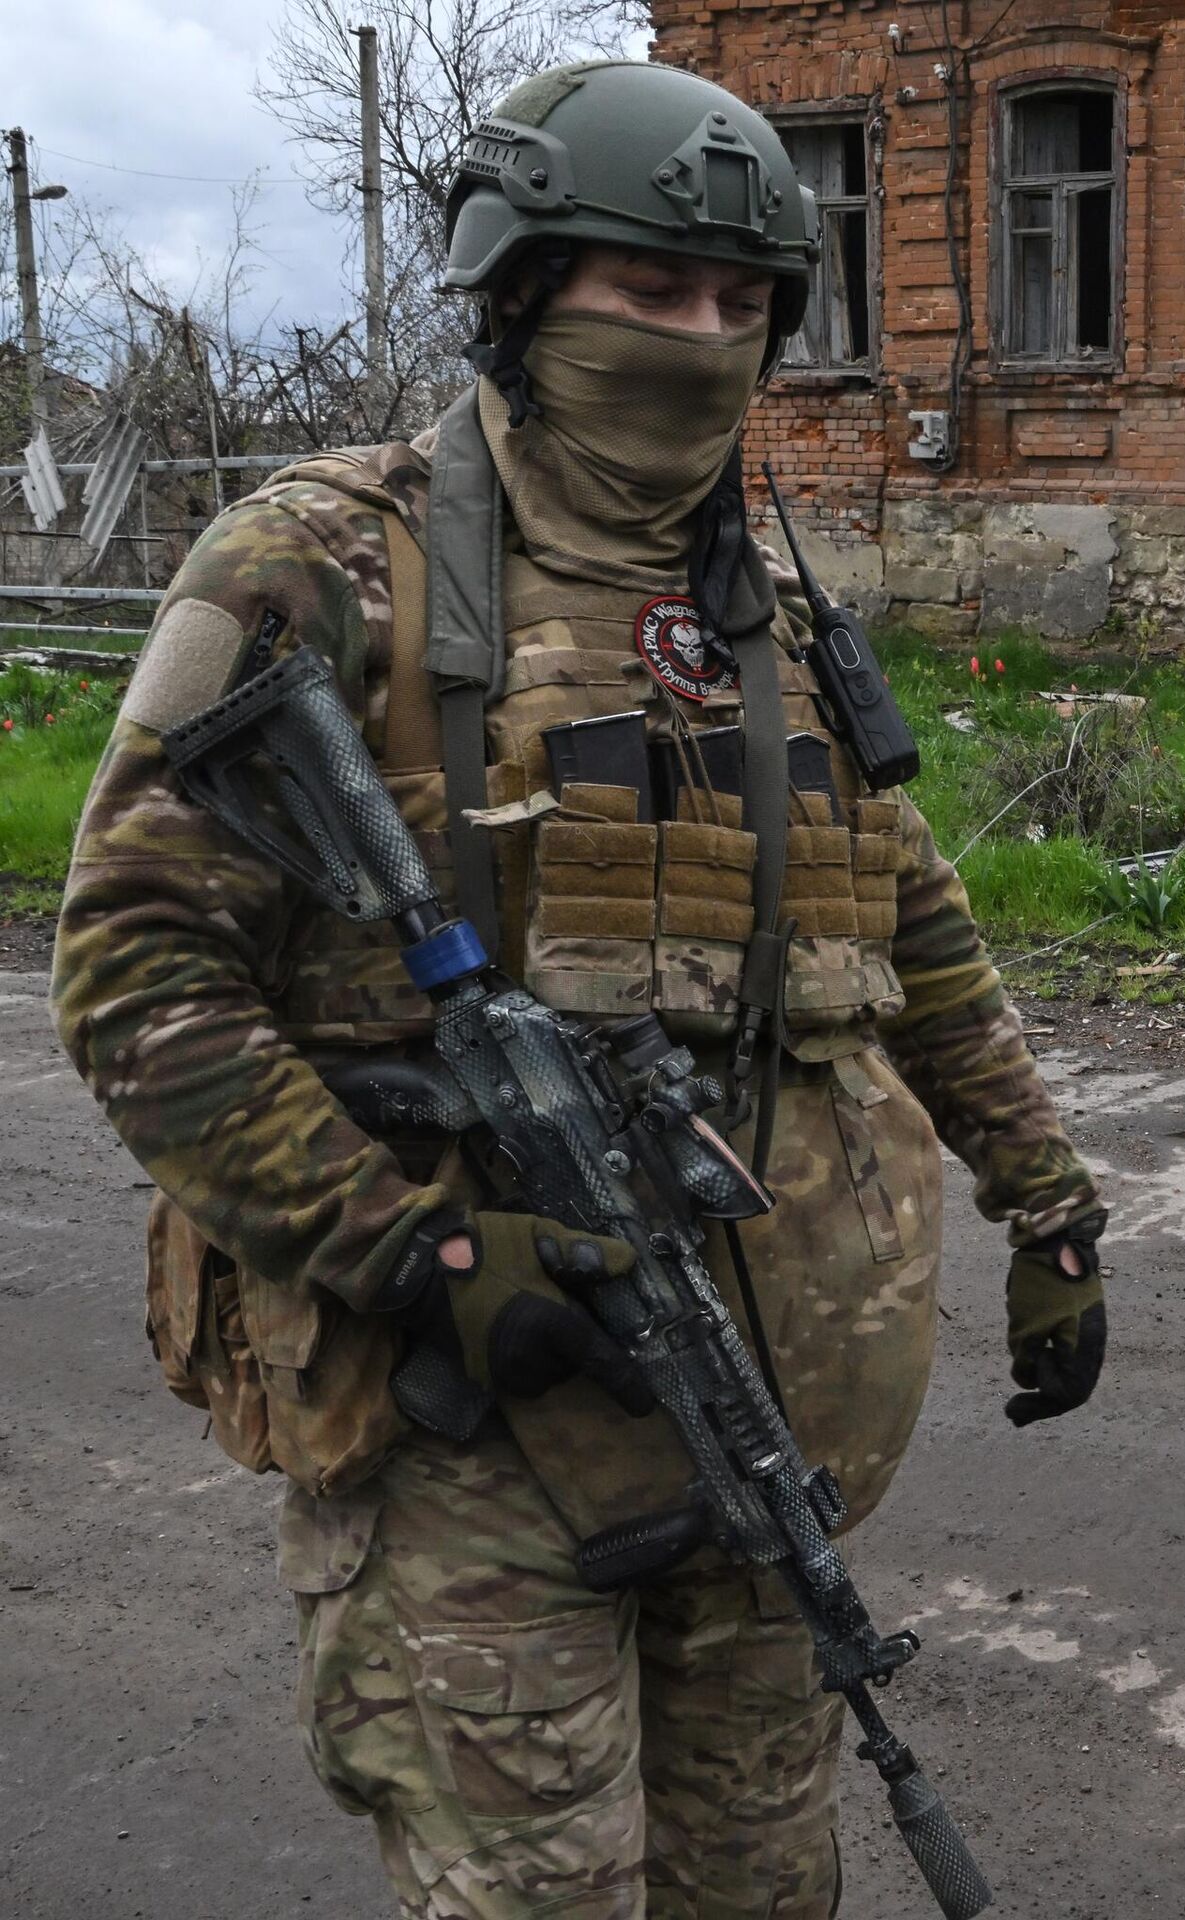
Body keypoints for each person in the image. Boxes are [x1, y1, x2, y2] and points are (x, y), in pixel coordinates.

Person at [51, 59, 1106, 1920]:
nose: (700, 336)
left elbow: (905, 918)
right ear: (523, 290)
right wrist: (422, 1255)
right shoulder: (317, 558)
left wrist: (1052, 1202)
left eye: (740, 302)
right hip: (470, 1432)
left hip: (757, 1432)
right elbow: (133, 966)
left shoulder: (756, 597)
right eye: (646, 286)